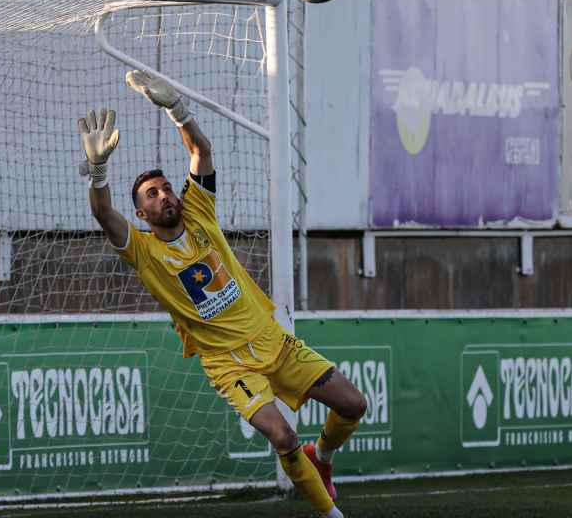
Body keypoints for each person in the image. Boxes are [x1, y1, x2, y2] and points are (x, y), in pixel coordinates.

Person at [79, 70, 366, 517]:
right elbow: (102, 213)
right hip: (228, 363)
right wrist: (98, 171)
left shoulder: (198, 213)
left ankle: (322, 457)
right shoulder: (143, 251)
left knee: (354, 404)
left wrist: (176, 108)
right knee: (283, 436)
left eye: (167, 187)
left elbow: (200, 150)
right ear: (142, 211)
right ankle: (331, 515)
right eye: (153, 194)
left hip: (274, 342)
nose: (166, 194)